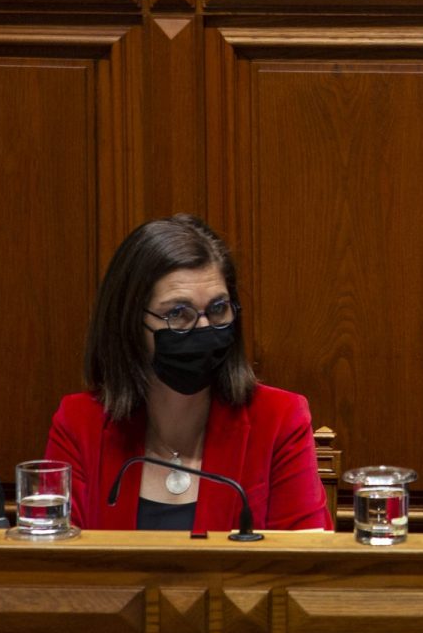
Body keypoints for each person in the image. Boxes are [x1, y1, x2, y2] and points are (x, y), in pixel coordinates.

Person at [47, 215, 331, 532]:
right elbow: (58, 567)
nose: (204, 328)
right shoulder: (78, 423)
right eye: (178, 314)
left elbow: (305, 564)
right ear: (130, 322)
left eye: (218, 308)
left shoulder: (279, 420)